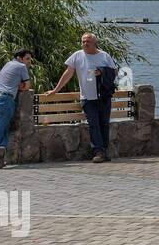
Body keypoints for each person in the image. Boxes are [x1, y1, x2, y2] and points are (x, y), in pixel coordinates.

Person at [46, 33, 118, 164]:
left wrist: (102, 72)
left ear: (95, 42)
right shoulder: (77, 56)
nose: (85, 43)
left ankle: (104, 151)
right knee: (93, 125)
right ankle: (99, 151)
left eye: (88, 41)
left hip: (103, 96)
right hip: (87, 97)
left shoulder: (104, 56)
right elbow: (68, 72)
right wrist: (56, 89)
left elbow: (114, 72)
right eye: (83, 41)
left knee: (104, 125)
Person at [0, 49, 33, 169]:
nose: (29, 61)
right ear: (20, 58)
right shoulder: (21, 66)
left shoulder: (7, 64)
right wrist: (19, 87)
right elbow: (27, 86)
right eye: (27, 58)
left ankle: (2, 147)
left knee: (3, 128)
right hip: (5, 100)